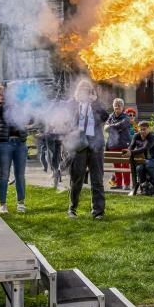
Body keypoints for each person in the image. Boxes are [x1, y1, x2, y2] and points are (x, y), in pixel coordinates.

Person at [68, 80, 108, 219]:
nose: (85, 92)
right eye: (83, 90)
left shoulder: (97, 105)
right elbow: (67, 123)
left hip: (95, 145)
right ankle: (72, 208)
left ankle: (98, 211)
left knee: (97, 179)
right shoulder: (73, 105)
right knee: (76, 177)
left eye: (88, 90)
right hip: (79, 145)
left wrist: (95, 102)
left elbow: (105, 116)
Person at [0, 84, 28, 214]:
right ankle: (2, 205)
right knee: (4, 175)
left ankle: (21, 203)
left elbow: (29, 118)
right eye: (2, 94)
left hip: (20, 144)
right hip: (4, 144)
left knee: (20, 175)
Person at [126, 121, 154, 196]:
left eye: (144, 129)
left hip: (153, 160)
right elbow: (131, 146)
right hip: (142, 161)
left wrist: (131, 152)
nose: (142, 131)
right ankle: (143, 189)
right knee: (139, 168)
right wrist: (128, 150)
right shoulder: (136, 136)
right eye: (141, 129)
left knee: (148, 165)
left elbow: (145, 148)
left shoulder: (151, 137)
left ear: (148, 129)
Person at [105, 98, 132, 191]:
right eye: (116, 104)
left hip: (124, 144)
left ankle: (127, 184)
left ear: (122, 107)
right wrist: (111, 127)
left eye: (119, 105)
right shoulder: (110, 116)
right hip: (113, 145)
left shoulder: (126, 117)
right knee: (116, 166)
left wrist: (111, 127)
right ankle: (119, 183)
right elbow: (106, 126)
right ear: (113, 106)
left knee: (125, 165)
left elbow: (121, 125)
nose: (117, 106)